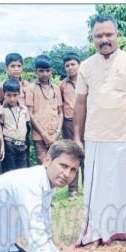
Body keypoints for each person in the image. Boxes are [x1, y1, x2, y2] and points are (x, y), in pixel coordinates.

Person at [73, 15, 126, 248]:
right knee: (96, 189)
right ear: (93, 39)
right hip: (95, 136)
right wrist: (77, 137)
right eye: (99, 36)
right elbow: (79, 104)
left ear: (117, 35)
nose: (104, 39)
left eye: (108, 34)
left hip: (125, 135)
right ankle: (95, 233)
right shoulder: (85, 66)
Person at [0, 53, 32, 164]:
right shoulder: (1, 87)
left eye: (18, 66)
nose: (16, 69)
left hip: (23, 127)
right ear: (6, 68)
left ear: (22, 67)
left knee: (24, 162)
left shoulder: (27, 85)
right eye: (12, 66)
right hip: (8, 129)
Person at [26, 55, 63, 162]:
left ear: (52, 71)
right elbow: (30, 113)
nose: (45, 73)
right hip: (39, 137)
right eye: (41, 71)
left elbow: (60, 112)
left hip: (55, 135)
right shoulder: (31, 88)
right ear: (35, 72)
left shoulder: (56, 88)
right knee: (42, 167)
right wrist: (44, 135)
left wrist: (58, 132)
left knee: (56, 165)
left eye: (48, 70)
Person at [59, 53, 82, 199]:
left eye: (73, 64)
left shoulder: (86, 81)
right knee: (72, 155)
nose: (70, 67)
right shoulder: (62, 85)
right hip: (68, 122)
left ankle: (90, 186)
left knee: (88, 153)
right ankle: (73, 189)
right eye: (67, 65)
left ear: (79, 64)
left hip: (86, 121)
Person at [2, 79, 30, 172]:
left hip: (22, 145)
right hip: (9, 145)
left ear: (19, 94)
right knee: (11, 172)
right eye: (9, 95)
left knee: (22, 171)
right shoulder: (1, 110)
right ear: (4, 95)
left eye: (15, 95)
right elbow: (0, 127)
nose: (12, 98)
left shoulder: (24, 109)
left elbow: (26, 126)